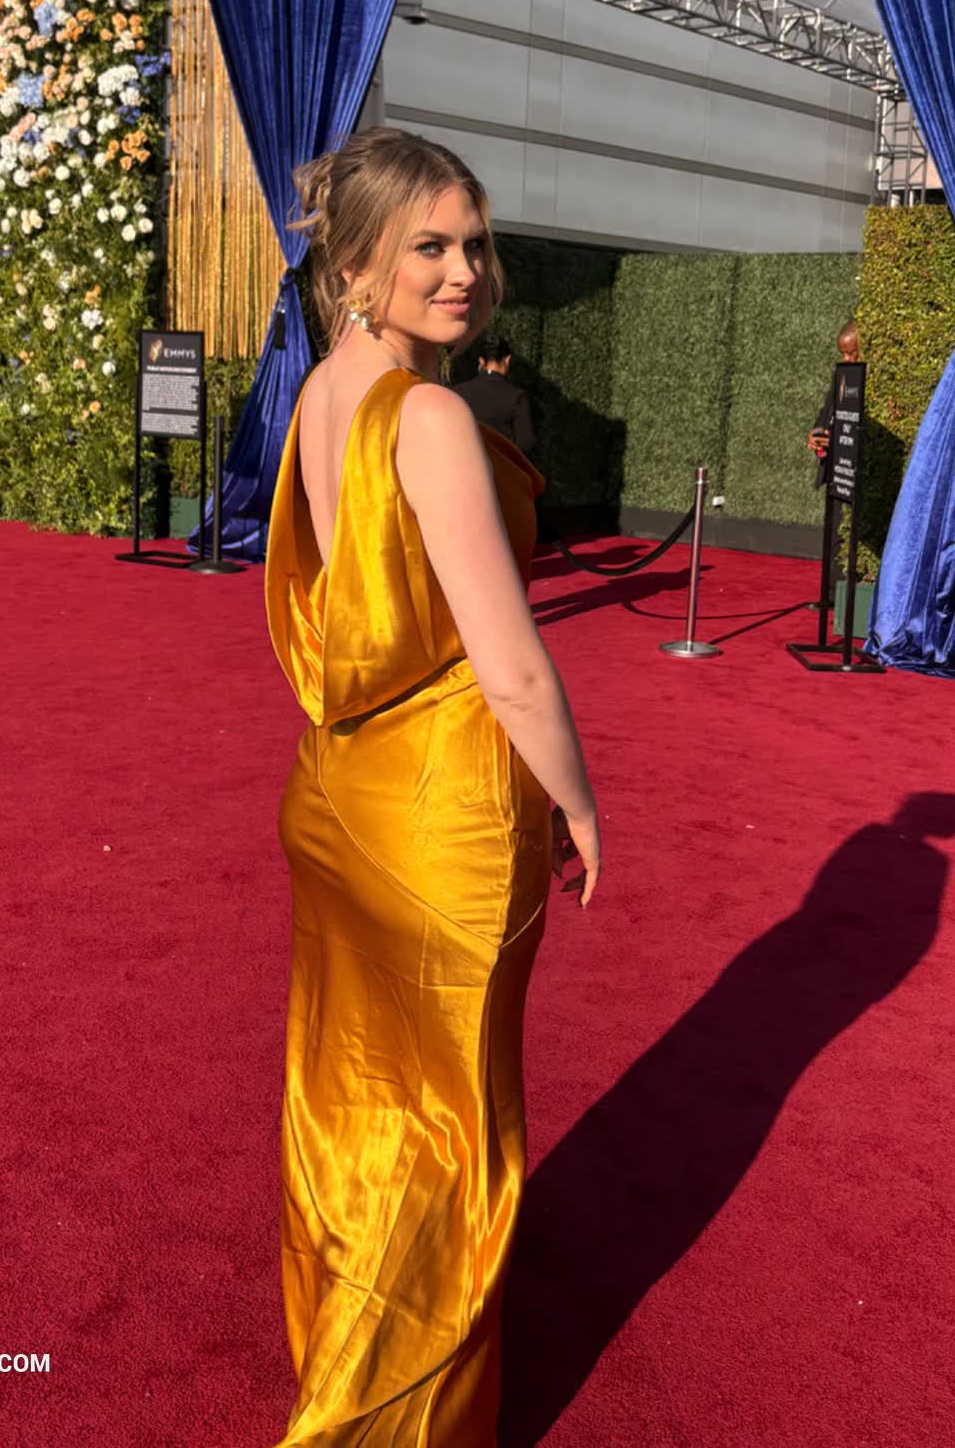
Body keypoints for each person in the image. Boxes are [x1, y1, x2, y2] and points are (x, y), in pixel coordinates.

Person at [263, 126, 601, 1446]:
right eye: (430, 247)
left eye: (473, 243)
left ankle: (344, 1349)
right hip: (442, 818)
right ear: (356, 266)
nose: (465, 271)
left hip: (339, 791)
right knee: (448, 1126)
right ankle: (385, 1418)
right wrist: (575, 800)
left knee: (354, 1101)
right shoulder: (430, 416)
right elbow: (508, 661)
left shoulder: (320, 395)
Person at [454, 334, 535, 456]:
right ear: (507, 360)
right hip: (501, 463)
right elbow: (525, 441)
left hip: (465, 460)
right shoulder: (517, 396)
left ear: (481, 361)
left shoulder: (458, 392)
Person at [807, 319, 861, 484]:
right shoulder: (841, 375)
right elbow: (827, 409)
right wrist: (817, 431)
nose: (845, 358)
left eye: (851, 353)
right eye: (842, 353)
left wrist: (840, 442)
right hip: (834, 471)